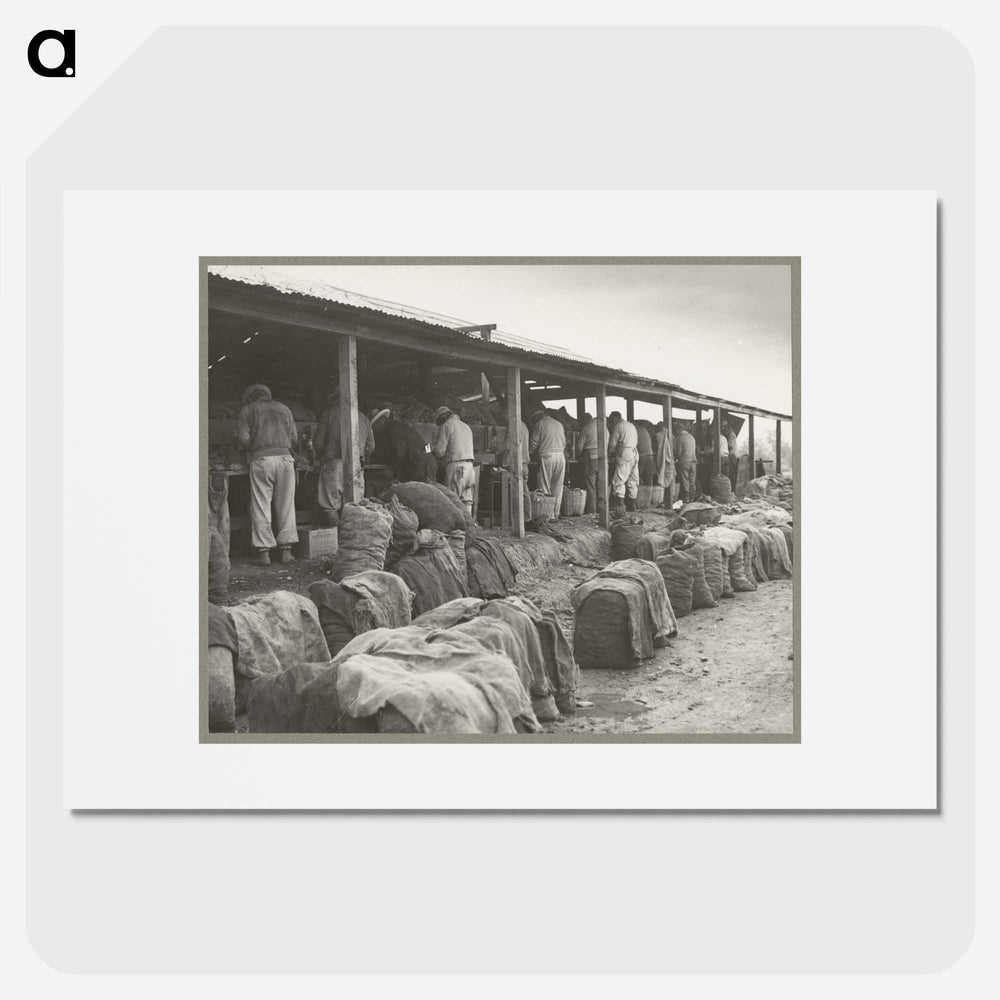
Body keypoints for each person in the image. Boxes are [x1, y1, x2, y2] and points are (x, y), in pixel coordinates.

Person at [236, 383, 298, 566]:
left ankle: (264, 553)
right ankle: (286, 551)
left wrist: (253, 447)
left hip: (261, 461)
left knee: (261, 504)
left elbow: (243, 438)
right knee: (287, 504)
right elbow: (294, 438)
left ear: (251, 397)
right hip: (286, 459)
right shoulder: (285, 409)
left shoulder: (247, 410)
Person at [312, 389, 376, 525]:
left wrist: (320, 457)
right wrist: (361, 456)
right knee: (354, 506)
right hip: (357, 466)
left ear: (335, 399)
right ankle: (349, 539)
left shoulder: (328, 414)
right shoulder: (363, 417)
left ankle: (335, 538)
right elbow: (371, 446)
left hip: (333, 464)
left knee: (330, 505)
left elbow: (317, 443)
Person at [432, 405, 476, 515]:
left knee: (452, 499)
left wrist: (432, 450)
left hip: (456, 467)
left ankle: (455, 529)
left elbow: (439, 451)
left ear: (442, 417)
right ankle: (468, 527)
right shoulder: (466, 426)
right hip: (470, 467)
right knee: (466, 500)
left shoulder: (446, 425)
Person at [378, 413, 437, 483]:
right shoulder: (397, 426)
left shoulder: (392, 429)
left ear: (381, 421)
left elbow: (398, 452)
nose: (376, 429)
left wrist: (391, 469)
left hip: (421, 466)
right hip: (426, 462)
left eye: (375, 425)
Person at [528, 409, 567, 517]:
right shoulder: (559, 424)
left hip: (547, 456)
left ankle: (546, 515)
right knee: (557, 487)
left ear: (536, 419)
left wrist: (527, 455)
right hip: (560, 456)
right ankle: (555, 513)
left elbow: (533, 443)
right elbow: (564, 443)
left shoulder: (539, 424)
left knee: (544, 486)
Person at [575, 412, 608, 514]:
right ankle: (602, 510)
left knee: (590, 485)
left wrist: (577, 455)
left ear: (585, 420)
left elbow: (579, 447)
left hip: (591, 457)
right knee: (601, 484)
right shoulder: (604, 427)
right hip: (603, 457)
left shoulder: (587, 427)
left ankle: (591, 511)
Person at [607, 411, 639, 512]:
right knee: (632, 480)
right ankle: (632, 505)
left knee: (619, 479)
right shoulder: (631, 425)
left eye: (612, 421)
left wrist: (610, 453)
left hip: (625, 453)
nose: (612, 423)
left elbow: (612, 443)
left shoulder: (619, 426)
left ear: (614, 418)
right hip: (634, 453)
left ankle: (619, 506)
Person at [673, 421, 698, 503]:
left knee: (685, 480)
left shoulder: (680, 438)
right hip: (693, 461)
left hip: (684, 462)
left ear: (678, 431)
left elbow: (678, 453)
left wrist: (675, 457)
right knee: (692, 479)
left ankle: (686, 498)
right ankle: (692, 497)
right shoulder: (692, 437)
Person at [653, 420, 675, 506]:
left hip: (662, 458)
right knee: (669, 477)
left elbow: (657, 448)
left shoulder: (659, 436)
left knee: (663, 475)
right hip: (670, 459)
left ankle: (666, 499)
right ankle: (670, 498)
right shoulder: (671, 435)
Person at [636, 419, 655, 486]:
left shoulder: (635, 430)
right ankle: (649, 495)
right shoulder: (645, 430)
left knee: (638, 476)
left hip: (642, 455)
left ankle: (640, 494)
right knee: (649, 478)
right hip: (650, 455)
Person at [723, 420, 739, 490]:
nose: (723, 428)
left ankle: (732, 490)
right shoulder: (730, 434)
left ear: (728, 427)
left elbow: (731, 446)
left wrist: (723, 441)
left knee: (731, 474)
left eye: (724, 427)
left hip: (731, 456)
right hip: (731, 456)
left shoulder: (730, 434)